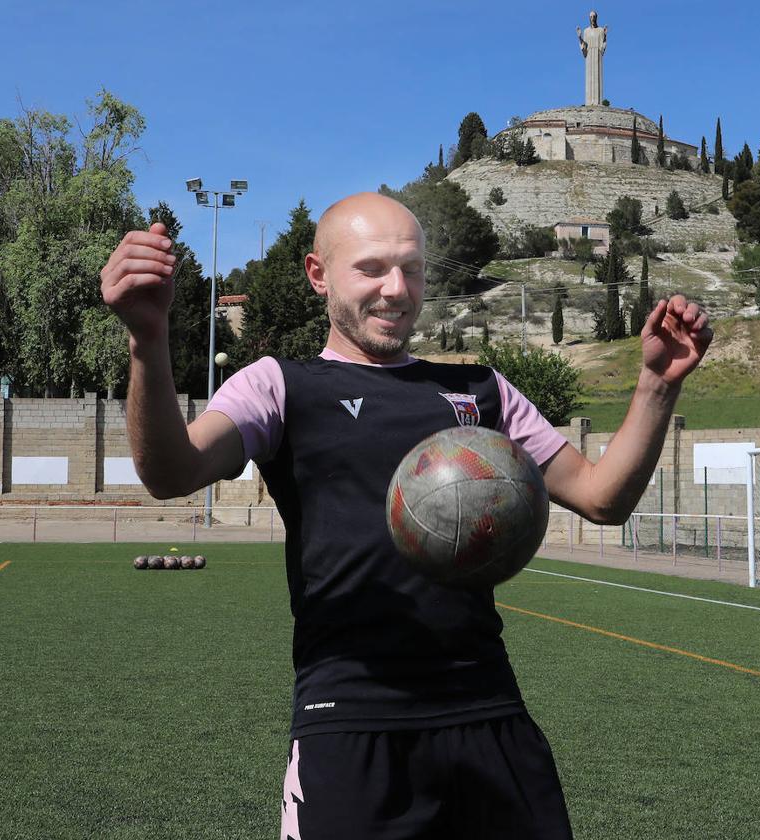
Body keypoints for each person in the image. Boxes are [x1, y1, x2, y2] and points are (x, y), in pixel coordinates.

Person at [100, 192, 711, 839]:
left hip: (488, 712)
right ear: (318, 274)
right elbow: (171, 471)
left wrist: (657, 386)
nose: (396, 290)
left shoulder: (482, 391)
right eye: (371, 269)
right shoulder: (279, 385)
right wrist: (149, 338)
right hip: (351, 721)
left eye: (411, 269)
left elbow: (601, 496)